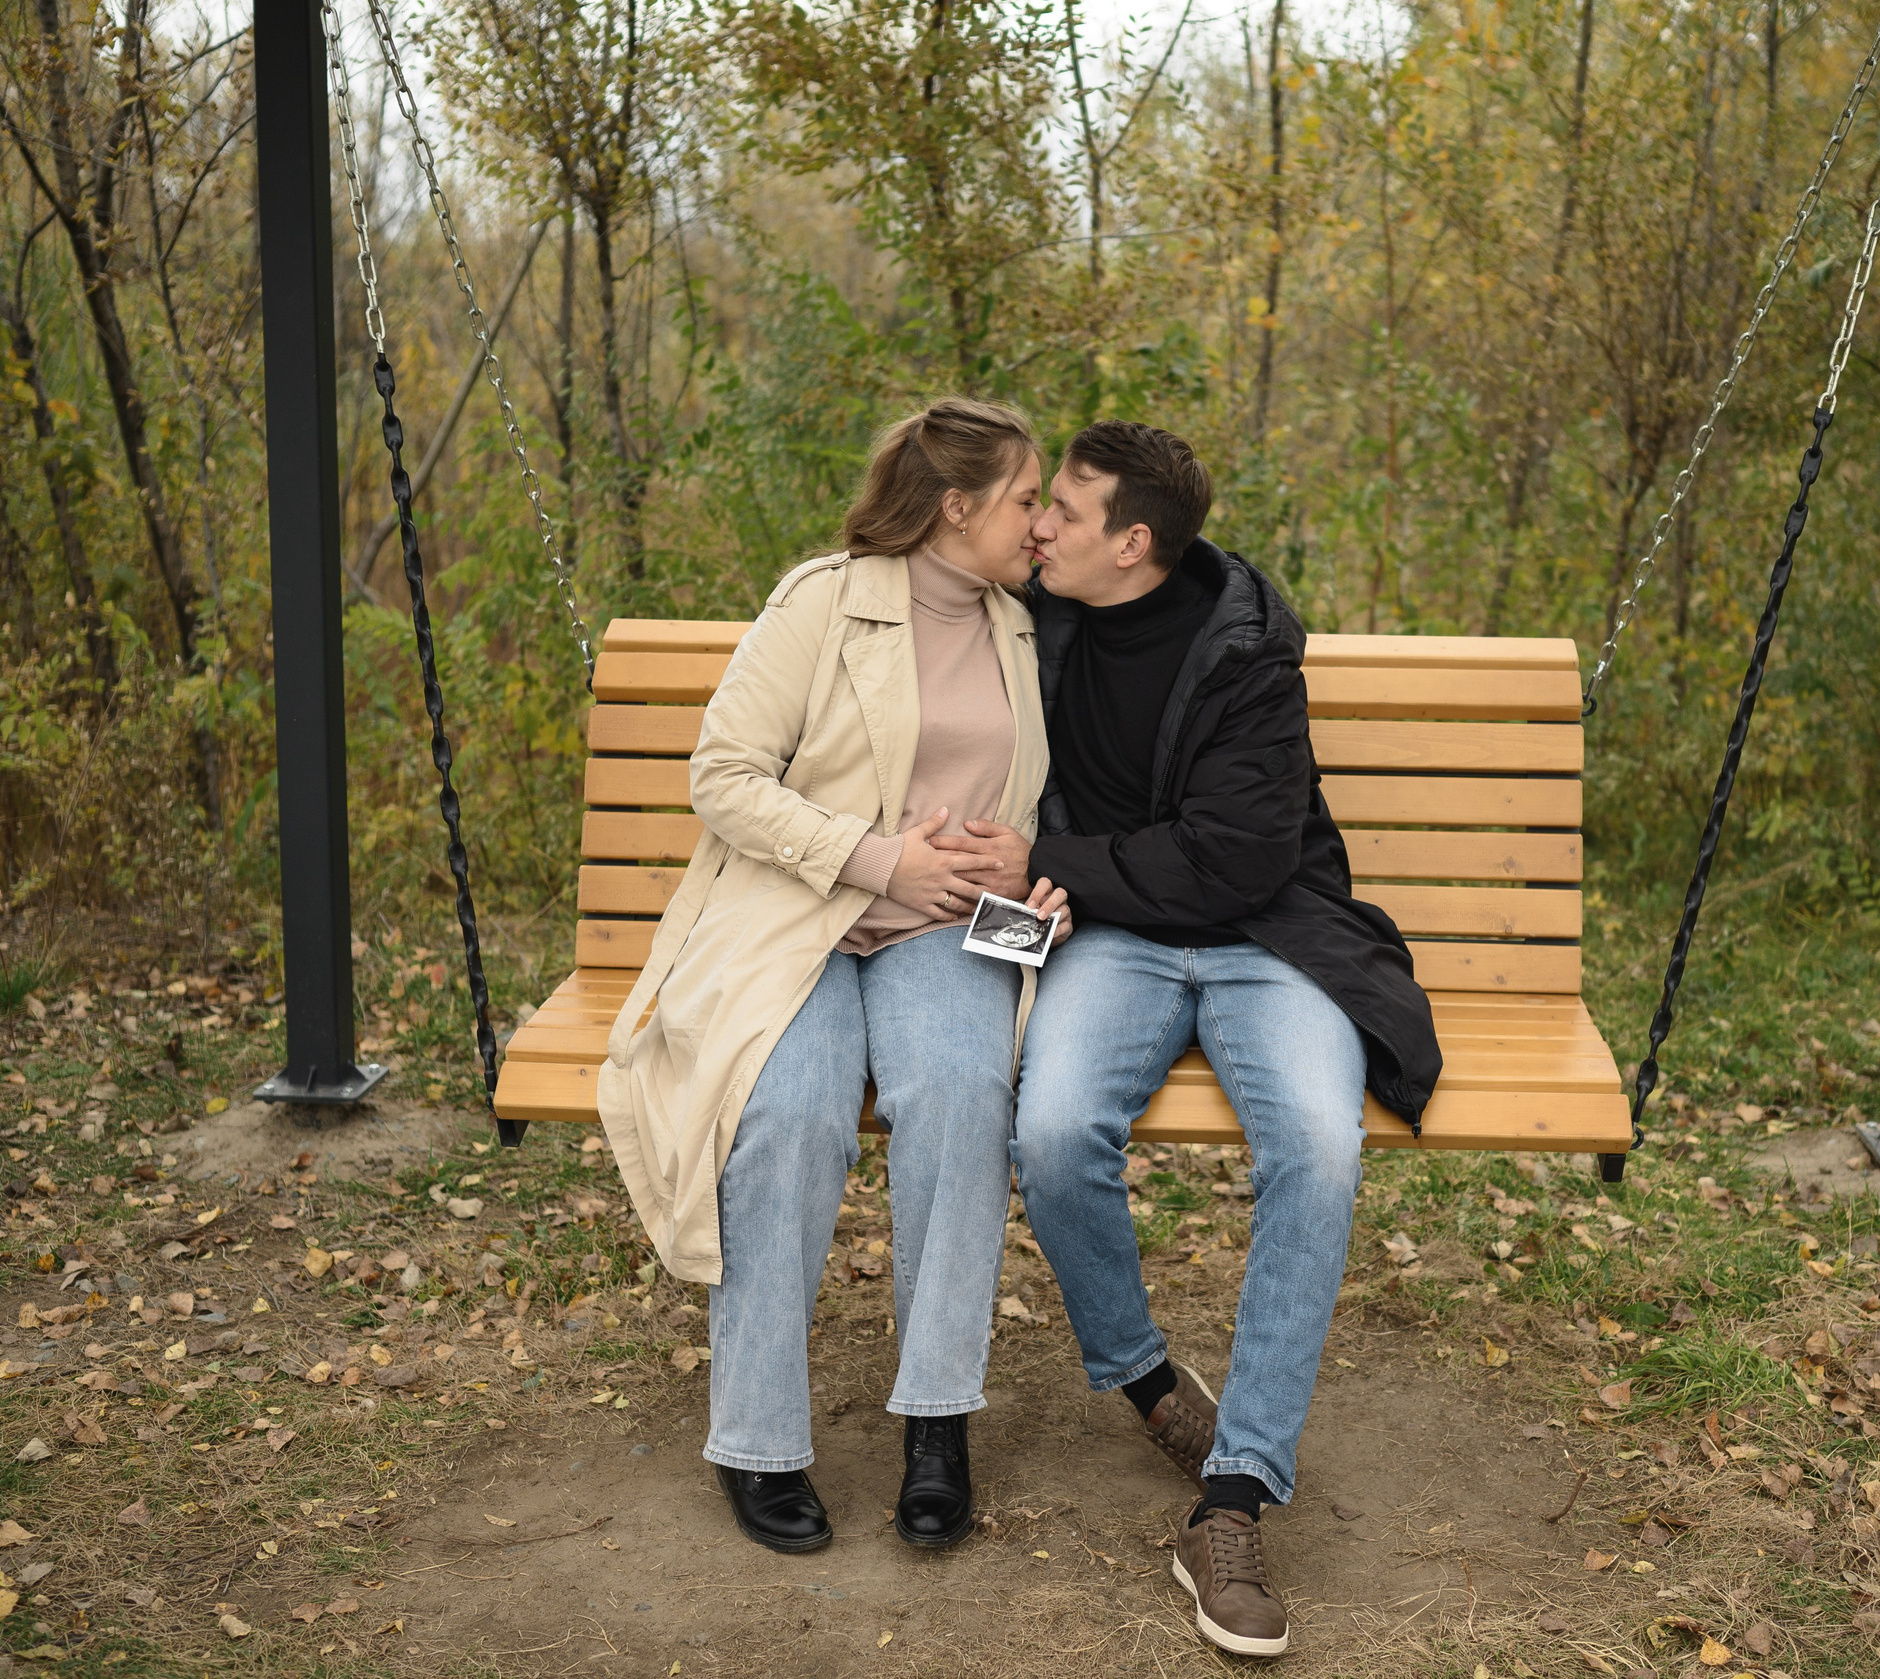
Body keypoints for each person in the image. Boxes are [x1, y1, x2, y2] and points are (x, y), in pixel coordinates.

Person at [943, 420, 1441, 1658]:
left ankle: (1232, 1496)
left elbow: (1239, 856)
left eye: (1063, 505)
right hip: (1111, 934)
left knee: (1319, 1148)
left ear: (1135, 542)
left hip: (1268, 938)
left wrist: (1050, 860)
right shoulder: (1036, 616)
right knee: (1052, 1131)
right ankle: (1155, 1385)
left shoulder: (1250, 655)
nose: (1039, 522)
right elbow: (913, 563)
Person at [597, 399, 1071, 1555]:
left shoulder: (1030, 622)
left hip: (953, 932)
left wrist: (1047, 886)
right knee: (796, 1113)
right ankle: (757, 1438)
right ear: (956, 507)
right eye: (1026, 498)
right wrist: (876, 859)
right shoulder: (825, 600)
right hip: (797, 918)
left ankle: (937, 1422)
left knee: (962, 1096)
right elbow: (722, 774)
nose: (1043, 522)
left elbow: (1055, 802)